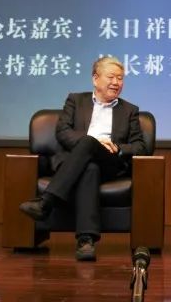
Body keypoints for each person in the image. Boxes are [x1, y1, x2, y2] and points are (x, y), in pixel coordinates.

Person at [18, 56, 147, 261]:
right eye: (111, 77)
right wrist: (91, 142)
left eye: (120, 78)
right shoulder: (76, 100)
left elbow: (140, 145)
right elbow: (63, 132)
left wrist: (117, 147)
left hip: (110, 162)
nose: (116, 82)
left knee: (90, 146)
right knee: (89, 166)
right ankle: (86, 241)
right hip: (75, 160)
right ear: (95, 79)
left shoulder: (129, 110)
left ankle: (46, 203)